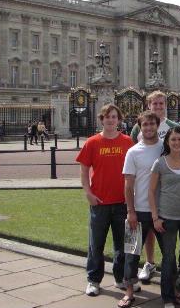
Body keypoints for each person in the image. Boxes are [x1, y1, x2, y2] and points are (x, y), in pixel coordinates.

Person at [75, 104, 134, 297]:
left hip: (122, 202)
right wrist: (88, 193)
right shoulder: (92, 142)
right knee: (96, 245)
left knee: (122, 245)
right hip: (99, 202)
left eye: (114, 117)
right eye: (107, 117)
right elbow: (84, 170)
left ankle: (120, 279)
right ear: (102, 119)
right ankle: (93, 280)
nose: (111, 120)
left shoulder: (127, 142)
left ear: (119, 120)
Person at [130, 90, 179, 282]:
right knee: (148, 229)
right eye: (155, 104)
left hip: (167, 187)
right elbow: (135, 152)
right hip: (145, 186)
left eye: (161, 104)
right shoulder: (138, 128)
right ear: (148, 106)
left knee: (168, 229)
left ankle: (170, 269)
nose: (158, 107)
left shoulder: (173, 126)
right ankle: (149, 262)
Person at [149, 126, 180, 308]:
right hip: (166, 217)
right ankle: (168, 297)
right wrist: (155, 217)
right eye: (173, 140)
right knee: (169, 258)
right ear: (168, 142)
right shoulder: (160, 163)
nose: (177, 143)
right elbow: (151, 191)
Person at [121, 111, 164, 307]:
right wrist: (130, 210)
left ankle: (171, 291)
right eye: (144, 125)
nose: (148, 128)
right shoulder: (133, 152)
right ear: (140, 127)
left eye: (151, 124)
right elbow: (128, 185)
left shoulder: (165, 148)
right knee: (131, 253)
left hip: (163, 211)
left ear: (157, 125)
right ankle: (129, 292)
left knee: (169, 254)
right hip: (138, 210)